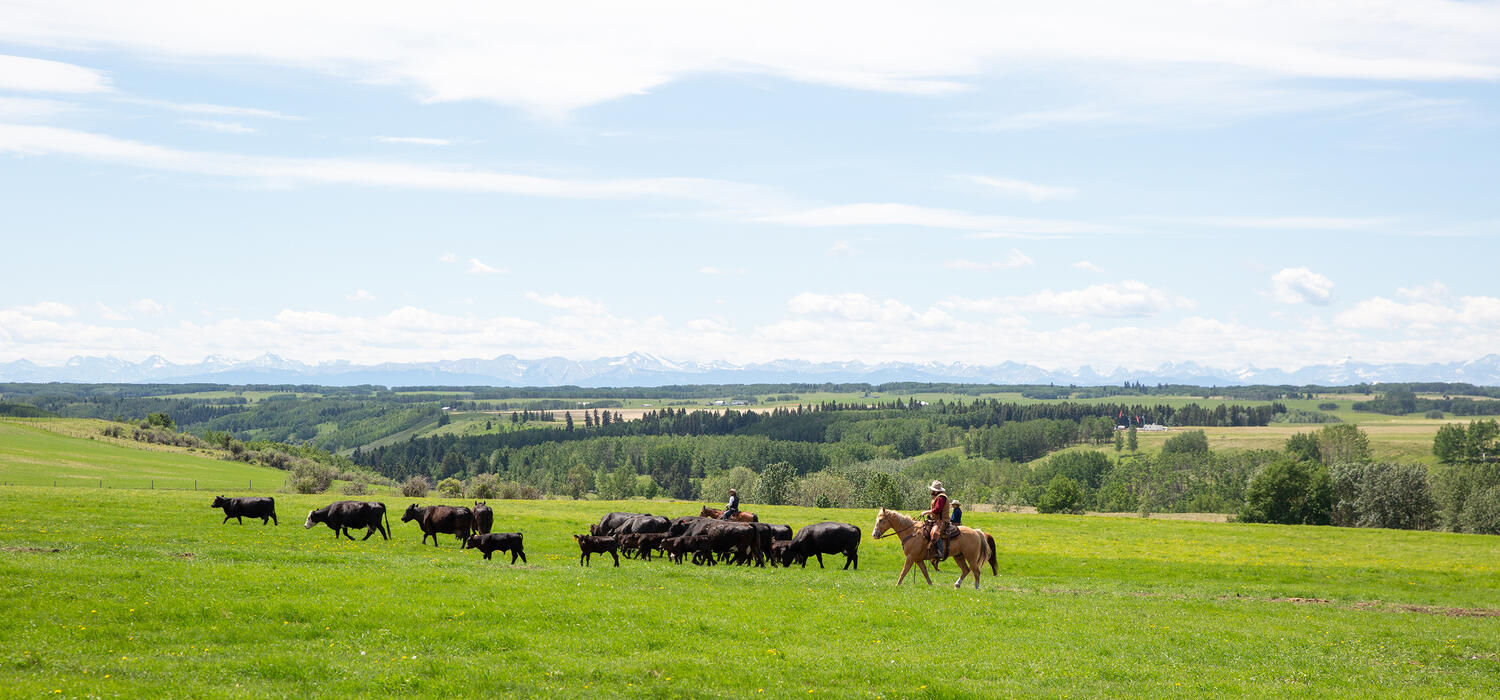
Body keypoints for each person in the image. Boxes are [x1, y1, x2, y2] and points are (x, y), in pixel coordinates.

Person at [920, 480, 950, 559]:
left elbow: (937, 510)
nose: (931, 491)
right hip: (936, 520)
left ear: (935, 491)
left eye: (932, 490)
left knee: (935, 533)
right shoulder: (937, 497)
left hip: (942, 520)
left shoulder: (941, 498)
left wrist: (926, 512)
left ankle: (940, 551)